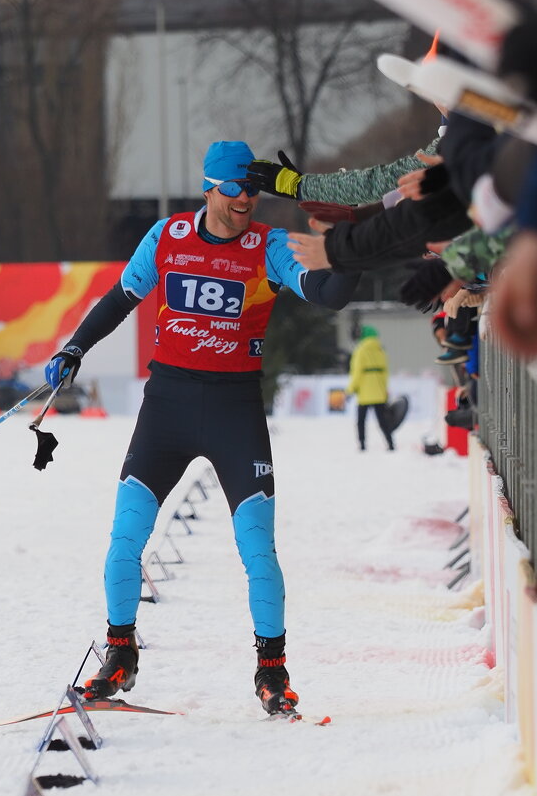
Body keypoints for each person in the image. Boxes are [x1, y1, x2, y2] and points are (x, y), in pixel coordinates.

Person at [43, 141, 361, 718]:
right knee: (124, 540)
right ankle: (119, 653)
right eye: (235, 190)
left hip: (235, 410)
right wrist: (75, 347)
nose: (246, 201)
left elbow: (327, 295)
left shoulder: (267, 245)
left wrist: (351, 253)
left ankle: (272, 669)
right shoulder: (167, 237)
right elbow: (121, 299)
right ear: (210, 188)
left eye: (253, 190)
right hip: (166, 406)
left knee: (257, 548)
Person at [346, 326, 394, 451]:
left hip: (365, 393)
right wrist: (384, 389)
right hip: (379, 392)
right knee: (383, 420)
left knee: (361, 420)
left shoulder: (360, 350)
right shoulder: (381, 350)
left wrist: (350, 390)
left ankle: (362, 445)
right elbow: (385, 373)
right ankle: (390, 443)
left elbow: (356, 372)